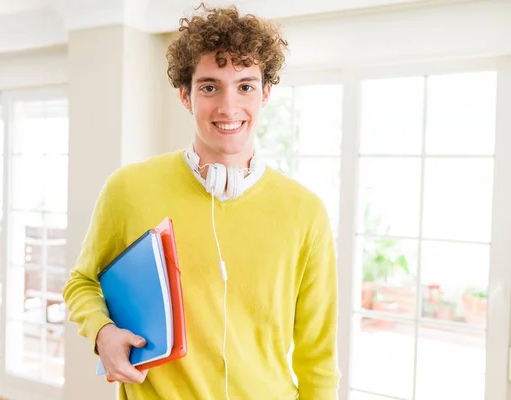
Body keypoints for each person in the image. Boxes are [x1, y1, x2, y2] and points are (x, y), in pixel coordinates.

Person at [62, 4, 340, 399]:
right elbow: (82, 282)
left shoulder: (305, 212)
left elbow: (319, 356)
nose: (229, 107)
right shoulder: (128, 189)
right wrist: (102, 332)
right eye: (210, 86)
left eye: (245, 85)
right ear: (185, 95)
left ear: (266, 94)